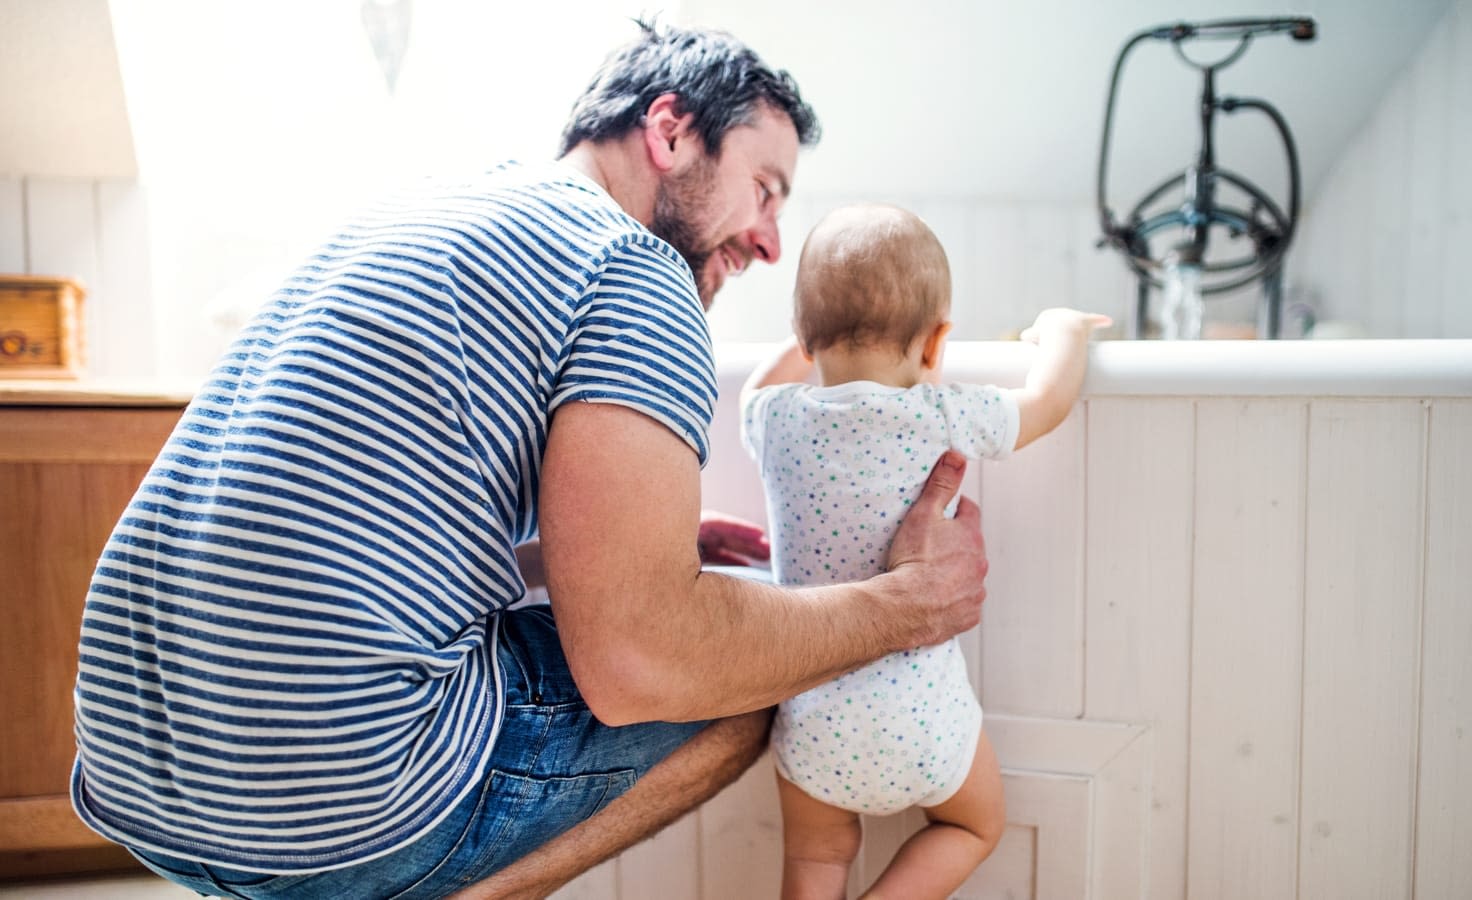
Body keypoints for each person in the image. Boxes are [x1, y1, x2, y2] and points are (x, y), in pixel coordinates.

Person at [70, 21, 990, 900]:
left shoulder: (424, 208)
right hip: (322, 818)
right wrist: (902, 608)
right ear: (669, 131)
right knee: (737, 684)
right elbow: (643, 663)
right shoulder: (634, 271)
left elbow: (355, 529)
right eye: (765, 188)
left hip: (130, 774)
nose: (771, 241)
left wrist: (565, 557)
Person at [740, 204, 1111, 898]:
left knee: (816, 862)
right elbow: (1049, 399)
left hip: (813, 723)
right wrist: (1060, 329)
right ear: (937, 343)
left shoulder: (775, 417)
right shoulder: (940, 414)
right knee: (972, 829)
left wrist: (811, 337)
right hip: (924, 722)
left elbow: (756, 386)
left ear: (804, 336)